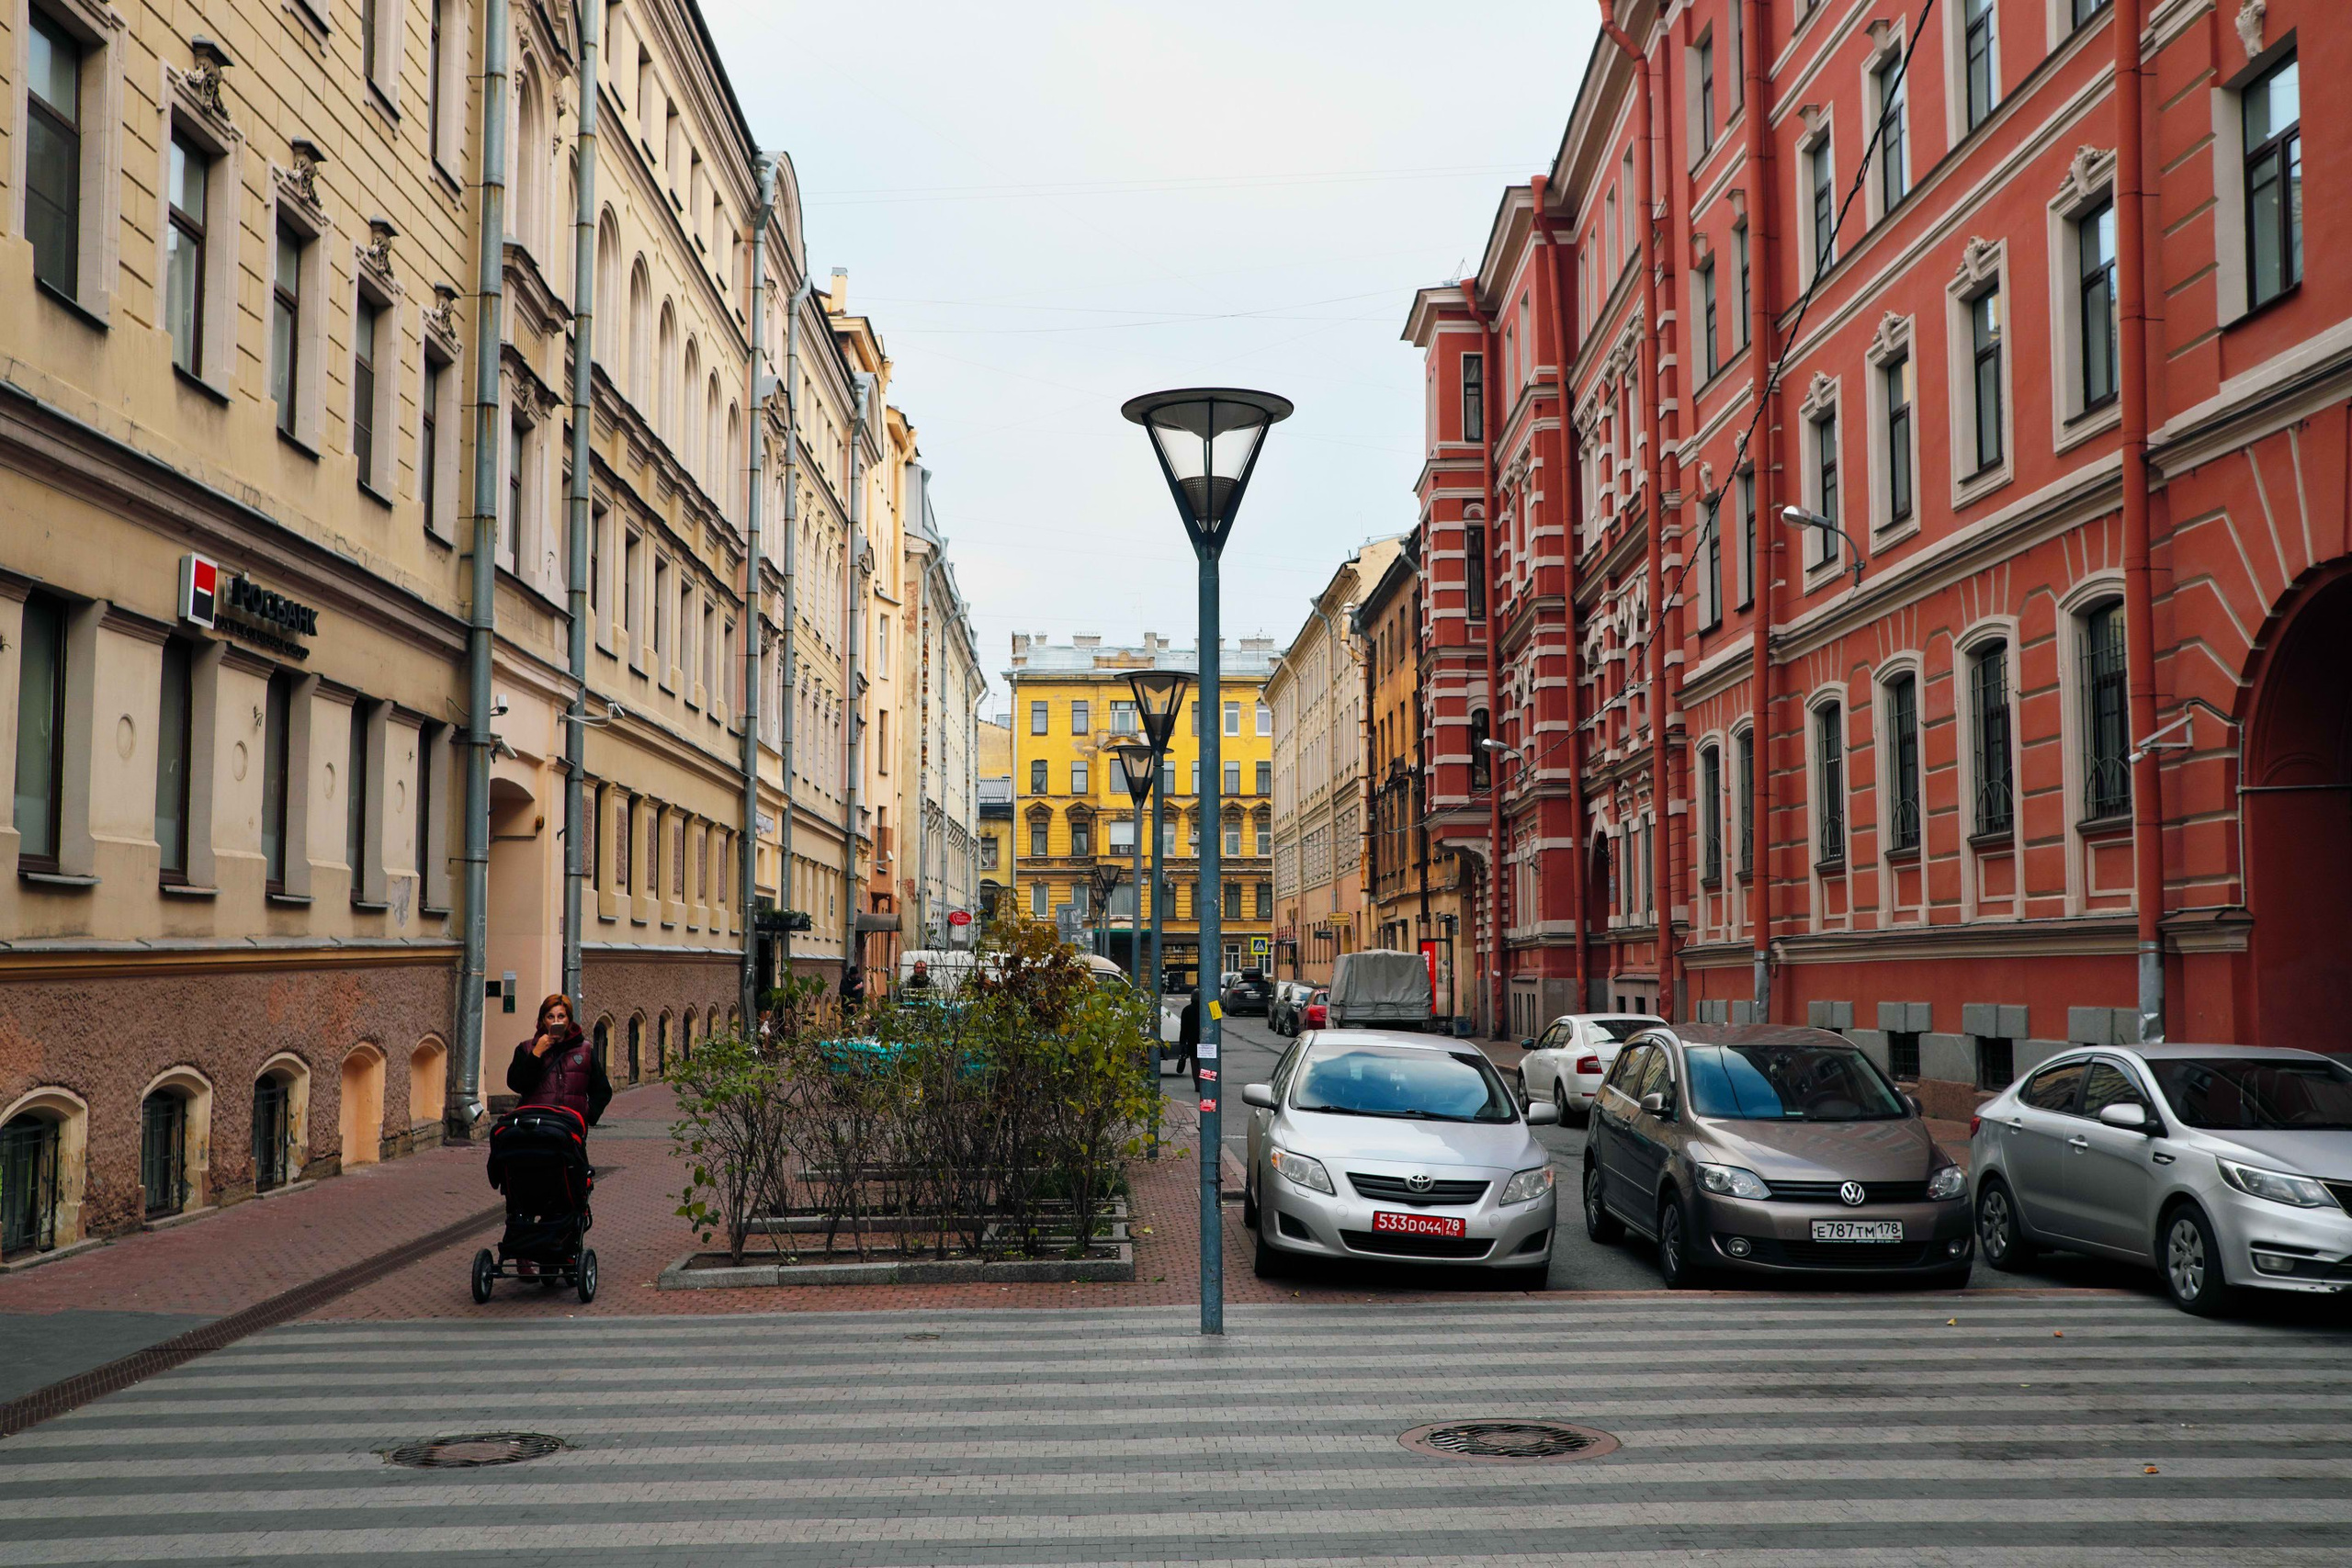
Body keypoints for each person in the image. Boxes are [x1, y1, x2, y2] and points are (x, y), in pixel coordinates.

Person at [507, 993, 611, 1127]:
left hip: (571, 1126)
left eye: (561, 1016)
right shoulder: (526, 1049)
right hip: (536, 1125)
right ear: (543, 1020)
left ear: (569, 1020)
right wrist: (536, 1054)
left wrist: (587, 1114)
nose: (556, 1021)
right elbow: (516, 1084)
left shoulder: (584, 1050)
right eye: (550, 1017)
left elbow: (602, 1089)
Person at [1172, 987, 1201, 1079]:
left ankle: (1198, 1084)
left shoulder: (1187, 1010)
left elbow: (1184, 1029)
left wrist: (1182, 1043)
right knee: (1206, 1065)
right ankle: (1206, 1083)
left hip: (1193, 1043)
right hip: (1207, 1043)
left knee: (1195, 1065)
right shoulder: (1207, 1009)